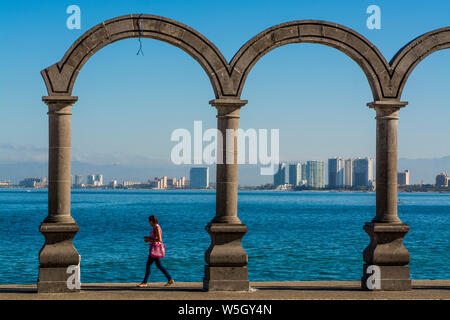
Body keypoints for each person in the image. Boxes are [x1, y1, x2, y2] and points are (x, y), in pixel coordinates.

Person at [137, 215, 175, 287]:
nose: (149, 223)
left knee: (148, 265)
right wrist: (148, 239)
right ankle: (170, 279)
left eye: (149, 221)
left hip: (155, 249)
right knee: (159, 265)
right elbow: (155, 238)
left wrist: (148, 239)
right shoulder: (155, 227)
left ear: (151, 221)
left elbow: (160, 239)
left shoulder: (157, 227)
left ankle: (144, 283)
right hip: (154, 249)